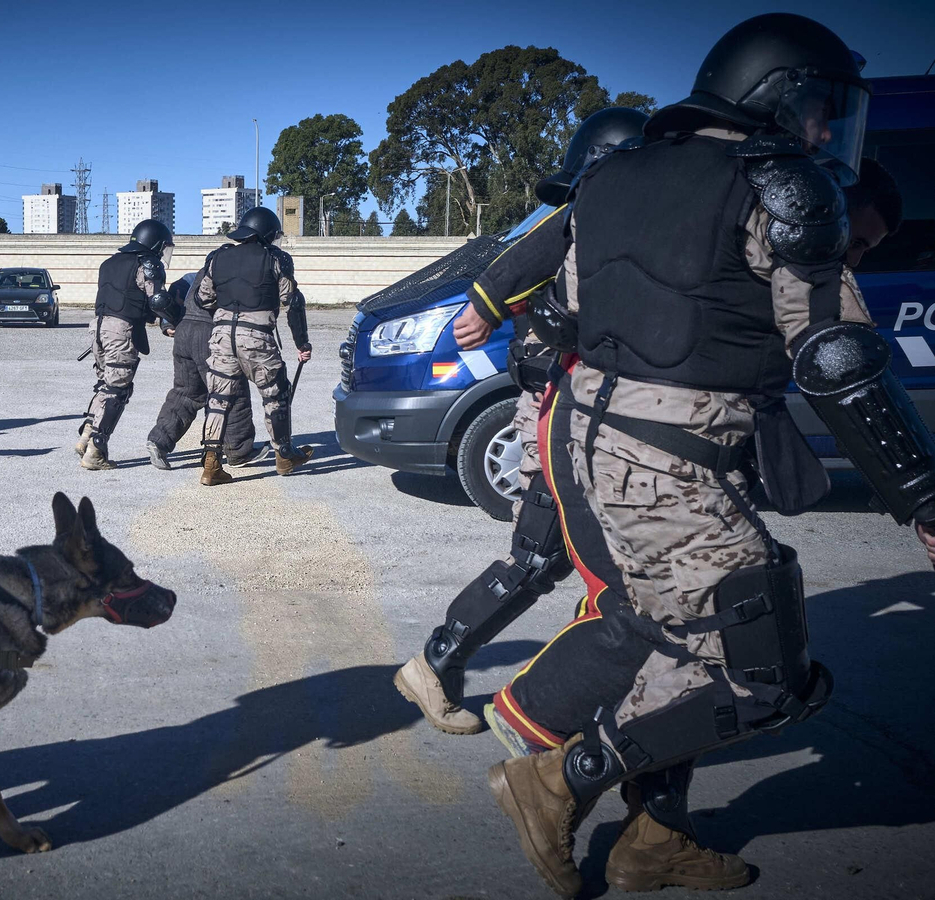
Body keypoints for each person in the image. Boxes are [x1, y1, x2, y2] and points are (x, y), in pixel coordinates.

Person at [481, 15, 935, 897]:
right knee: (765, 668)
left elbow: (567, 314)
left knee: (676, 635)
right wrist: (922, 498)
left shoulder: (612, 179)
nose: (825, 133)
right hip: (668, 460)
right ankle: (555, 779)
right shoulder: (783, 187)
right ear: (779, 96)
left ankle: (655, 837)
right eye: (820, 111)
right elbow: (836, 357)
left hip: (584, 440)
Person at [394, 107, 648, 735]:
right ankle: (482, 682)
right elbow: (508, 301)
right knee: (562, 565)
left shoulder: (612, 230)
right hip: (567, 417)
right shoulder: (575, 227)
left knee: (551, 559)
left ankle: (444, 667)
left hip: (593, 418)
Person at [194, 206, 313, 486]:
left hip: (222, 337)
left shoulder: (217, 257)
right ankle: (284, 455)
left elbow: (203, 298)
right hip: (257, 337)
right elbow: (292, 302)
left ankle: (211, 464)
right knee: (275, 394)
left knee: (218, 398)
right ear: (267, 233)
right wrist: (301, 342)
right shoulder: (276, 258)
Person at [76, 218, 174, 470]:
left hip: (96, 328)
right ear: (155, 243)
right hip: (121, 330)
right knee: (118, 390)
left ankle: (87, 434)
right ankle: (96, 451)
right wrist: (176, 319)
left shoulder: (109, 262)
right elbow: (158, 300)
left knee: (104, 385)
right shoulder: (148, 263)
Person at [145, 267, 266, 470]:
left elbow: (172, 292)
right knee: (231, 391)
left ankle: (159, 441)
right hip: (209, 334)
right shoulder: (235, 274)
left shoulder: (197, 275)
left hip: (184, 334)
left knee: (187, 393)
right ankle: (239, 452)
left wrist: (167, 322)